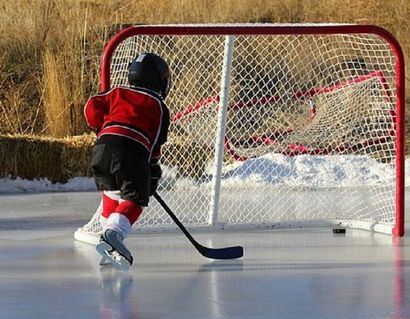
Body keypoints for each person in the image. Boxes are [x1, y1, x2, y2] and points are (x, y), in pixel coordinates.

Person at [84, 53, 171, 269]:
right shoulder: (158, 105)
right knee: (135, 198)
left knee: (112, 192)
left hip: (102, 148)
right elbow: (156, 140)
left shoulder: (116, 92)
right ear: (159, 80)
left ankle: (107, 247)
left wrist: (102, 127)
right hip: (132, 151)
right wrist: (151, 168)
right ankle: (114, 234)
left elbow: (91, 106)